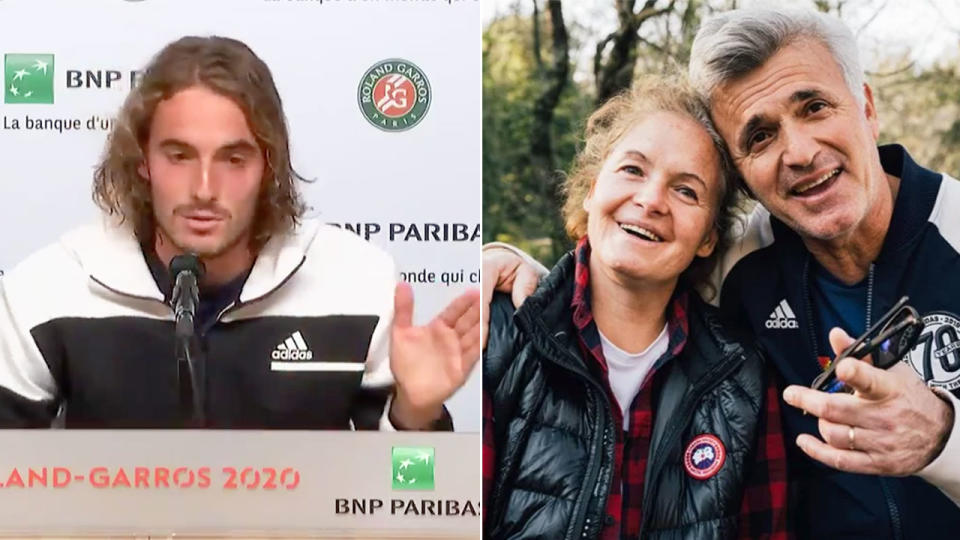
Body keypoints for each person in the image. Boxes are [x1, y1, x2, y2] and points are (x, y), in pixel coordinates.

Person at [483, 6, 960, 539]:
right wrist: (515, 270)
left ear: (867, 108)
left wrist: (945, 438)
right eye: (759, 137)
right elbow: (624, 283)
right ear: (742, 176)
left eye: (816, 107)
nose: (799, 152)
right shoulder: (737, 262)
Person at [0, 36, 481, 430]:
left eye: (234, 159)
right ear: (142, 160)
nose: (205, 189)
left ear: (268, 165)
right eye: (179, 155)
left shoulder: (355, 279)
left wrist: (415, 414)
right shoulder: (49, 290)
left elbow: (409, 491)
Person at [484, 74, 788, 540]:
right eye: (632, 170)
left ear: (709, 237)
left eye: (686, 191)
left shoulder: (741, 376)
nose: (650, 201)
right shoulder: (499, 331)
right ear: (591, 189)